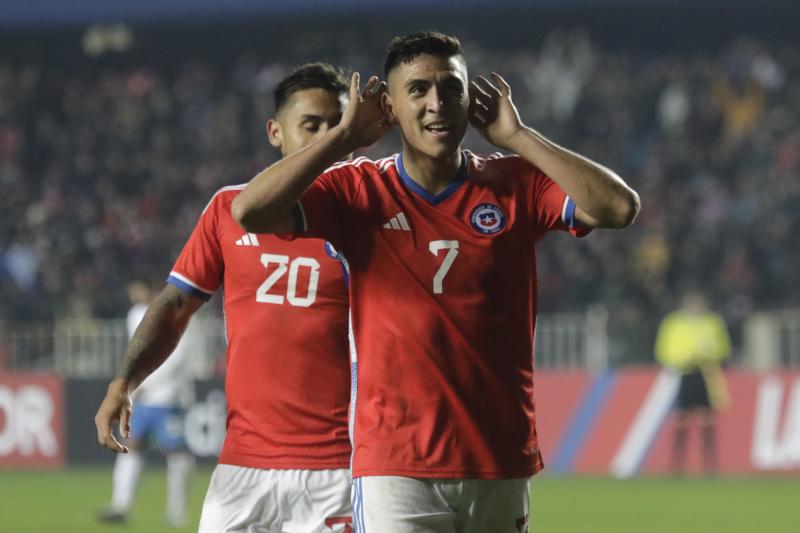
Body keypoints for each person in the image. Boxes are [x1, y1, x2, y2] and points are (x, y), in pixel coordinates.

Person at [232, 31, 639, 533]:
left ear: (472, 100)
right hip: (396, 467)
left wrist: (520, 137)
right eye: (418, 90)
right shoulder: (356, 190)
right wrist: (341, 138)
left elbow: (619, 208)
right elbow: (250, 212)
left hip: (498, 459)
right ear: (390, 107)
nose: (436, 104)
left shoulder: (516, 182)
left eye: (451, 88)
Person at [95, 63, 354, 532]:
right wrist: (123, 382)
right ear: (275, 132)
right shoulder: (226, 209)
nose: (325, 138)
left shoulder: (369, 213)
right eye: (310, 125)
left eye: (337, 125)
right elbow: (175, 305)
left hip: (339, 467)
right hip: (242, 468)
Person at [98, 279, 195, 527]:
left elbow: (178, 357)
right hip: (142, 398)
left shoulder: (176, 311)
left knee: (177, 454)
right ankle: (120, 505)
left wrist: (143, 385)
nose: (135, 295)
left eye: (139, 289)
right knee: (132, 445)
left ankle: (177, 512)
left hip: (167, 397)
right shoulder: (135, 314)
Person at [655, 290, 731, 475]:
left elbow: (724, 348)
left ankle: (710, 466)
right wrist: (682, 359)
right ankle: (676, 466)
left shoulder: (712, 323)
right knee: (681, 419)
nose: (694, 306)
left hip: (706, 374)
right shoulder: (673, 323)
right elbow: (663, 350)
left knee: (707, 419)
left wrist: (708, 356)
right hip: (684, 374)